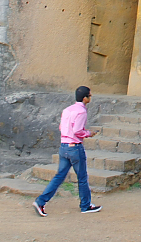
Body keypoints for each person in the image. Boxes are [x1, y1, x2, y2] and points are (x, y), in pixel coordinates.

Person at [33, 86, 102, 216]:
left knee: (59, 176)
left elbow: (61, 127)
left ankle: (41, 201)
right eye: (89, 96)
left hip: (64, 146)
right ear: (84, 98)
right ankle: (85, 205)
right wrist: (88, 133)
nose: (90, 98)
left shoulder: (67, 110)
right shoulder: (81, 111)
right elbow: (77, 130)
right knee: (82, 178)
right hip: (75, 147)